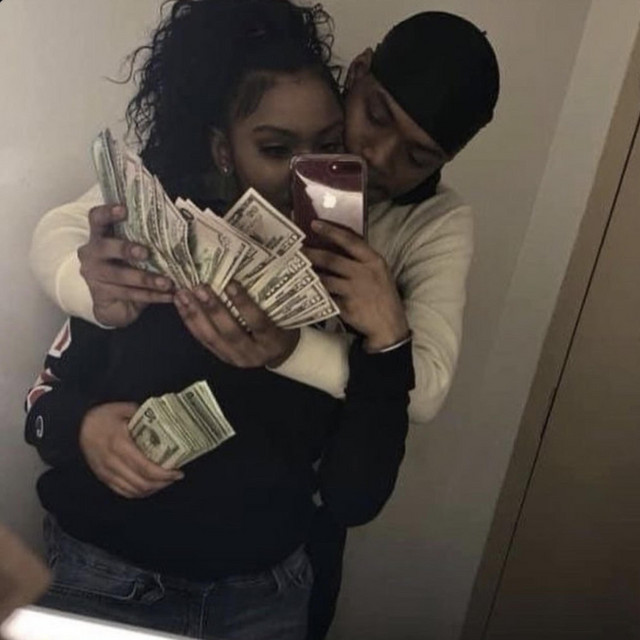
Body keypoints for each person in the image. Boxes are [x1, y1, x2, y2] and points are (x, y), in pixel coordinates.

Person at [28, 7, 500, 639]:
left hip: (264, 588)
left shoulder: (391, 266)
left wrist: (353, 343)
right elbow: (51, 387)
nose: (374, 157)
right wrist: (88, 381)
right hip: (110, 573)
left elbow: (368, 471)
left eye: (416, 156)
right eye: (374, 116)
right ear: (223, 149)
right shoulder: (168, 230)